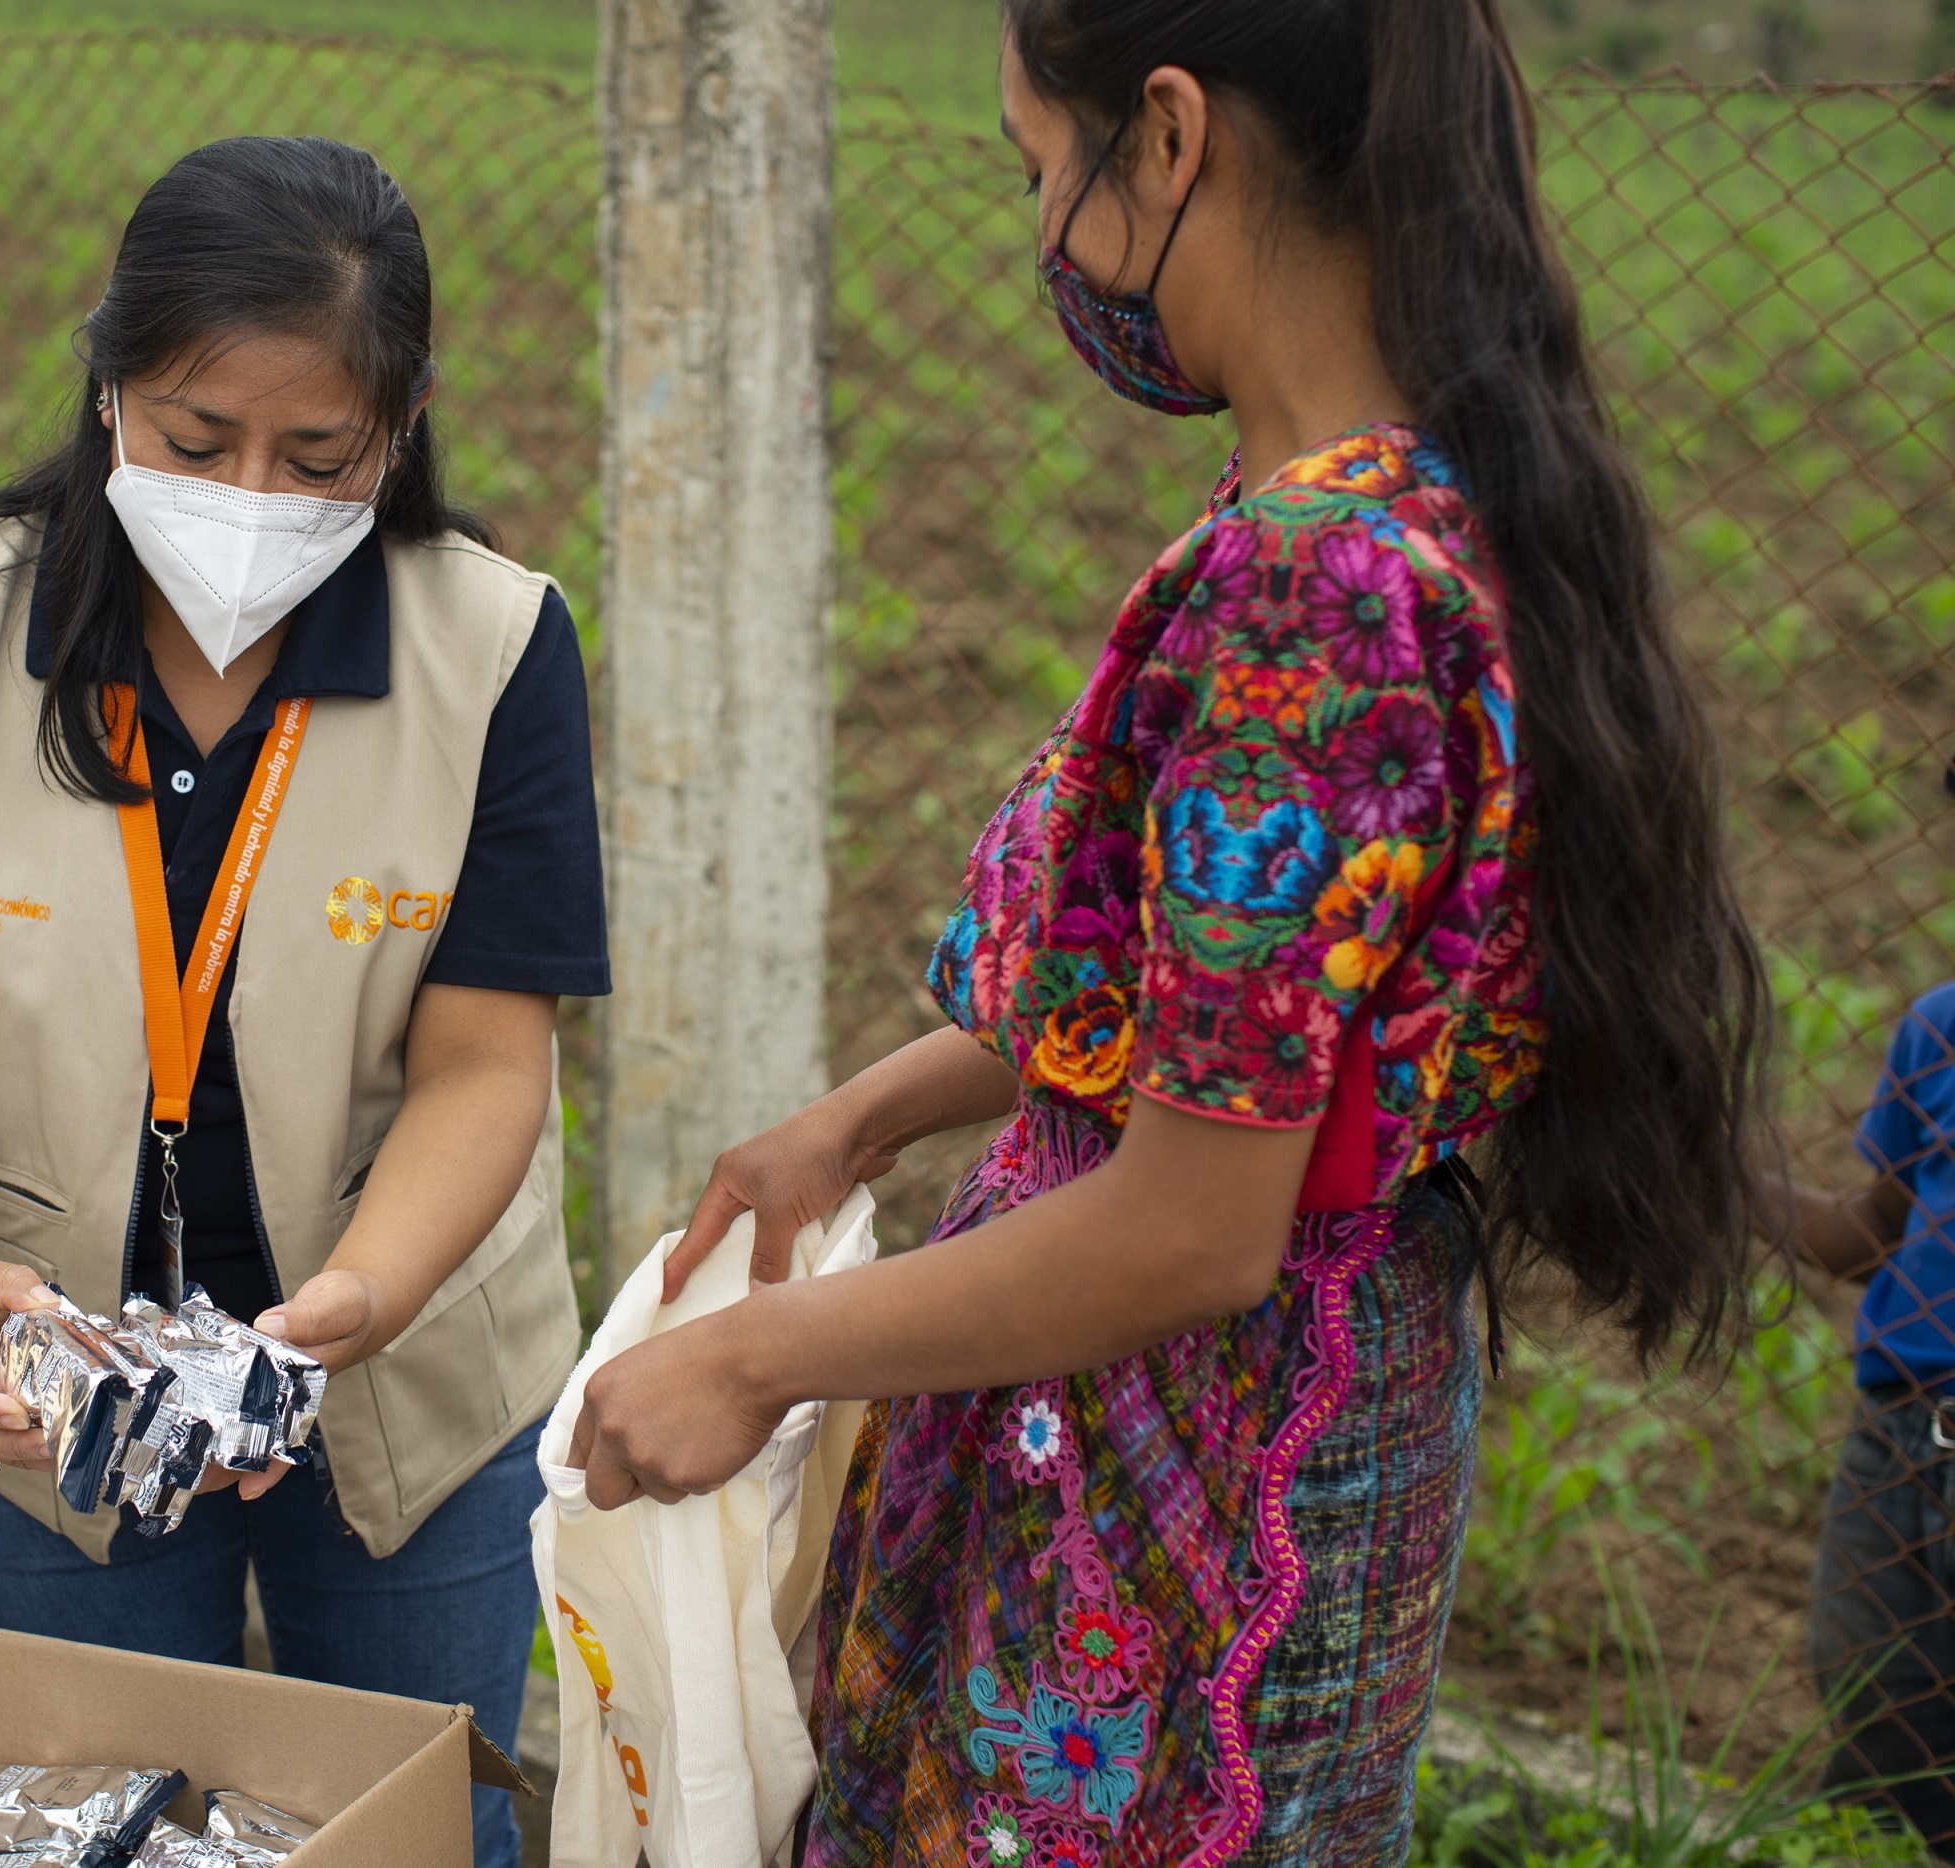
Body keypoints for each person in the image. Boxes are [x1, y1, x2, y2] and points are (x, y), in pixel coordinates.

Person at [564, 3, 1769, 1863]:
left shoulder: (1314, 589)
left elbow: (1193, 1223)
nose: (1044, 229)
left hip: (1186, 1456)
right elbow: (1232, 1007)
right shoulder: (1424, 497)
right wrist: (865, 1118)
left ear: (1174, 134)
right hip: (1316, 1393)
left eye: (1040, 166)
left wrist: (754, 1354)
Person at [0, 136, 604, 1867]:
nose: (249, 501)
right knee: (93, 1818)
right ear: (107, 382)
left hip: (406, 1374)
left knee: (418, 1817)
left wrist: (358, 1298)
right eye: (195, 441)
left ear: (405, 423)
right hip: (44, 1370)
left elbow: (484, 1064)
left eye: (320, 457)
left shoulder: (490, 646)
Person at [1786, 763, 1955, 1857]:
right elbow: (1872, 1232)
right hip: (1898, 1437)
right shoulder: (1940, 1028)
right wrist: (1712, 1178)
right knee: (1872, 1694)